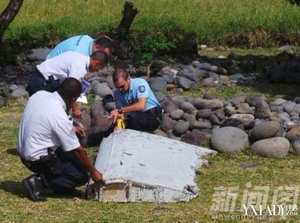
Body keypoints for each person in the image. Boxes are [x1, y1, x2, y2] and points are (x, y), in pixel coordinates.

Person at [18, 78, 104, 201]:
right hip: (37, 159)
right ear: (73, 99)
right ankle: (38, 182)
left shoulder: (40, 94)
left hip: (25, 151)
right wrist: (93, 172)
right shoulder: (58, 114)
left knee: (75, 159)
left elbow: (47, 120)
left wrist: (72, 126)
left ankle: (56, 184)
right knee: (80, 175)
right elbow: (77, 150)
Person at [26, 50, 108, 97]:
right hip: (42, 81)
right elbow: (71, 89)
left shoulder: (79, 56)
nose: (96, 71)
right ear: (97, 63)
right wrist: (76, 109)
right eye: (98, 68)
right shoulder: (80, 66)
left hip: (40, 75)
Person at [109, 65, 162, 132]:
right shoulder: (117, 93)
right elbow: (121, 112)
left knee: (131, 119)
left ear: (128, 79)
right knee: (114, 123)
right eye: (117, 87)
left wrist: (120, 111)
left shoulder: (139, 83)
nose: (120, 89)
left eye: (122, 86)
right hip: (136, 116)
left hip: (153, 114)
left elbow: (141, 106)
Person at [47, 34, 114, 59]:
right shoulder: (80, 54)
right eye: (104, 55)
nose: (103, 58)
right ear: (97, 46)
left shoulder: (87, 38)